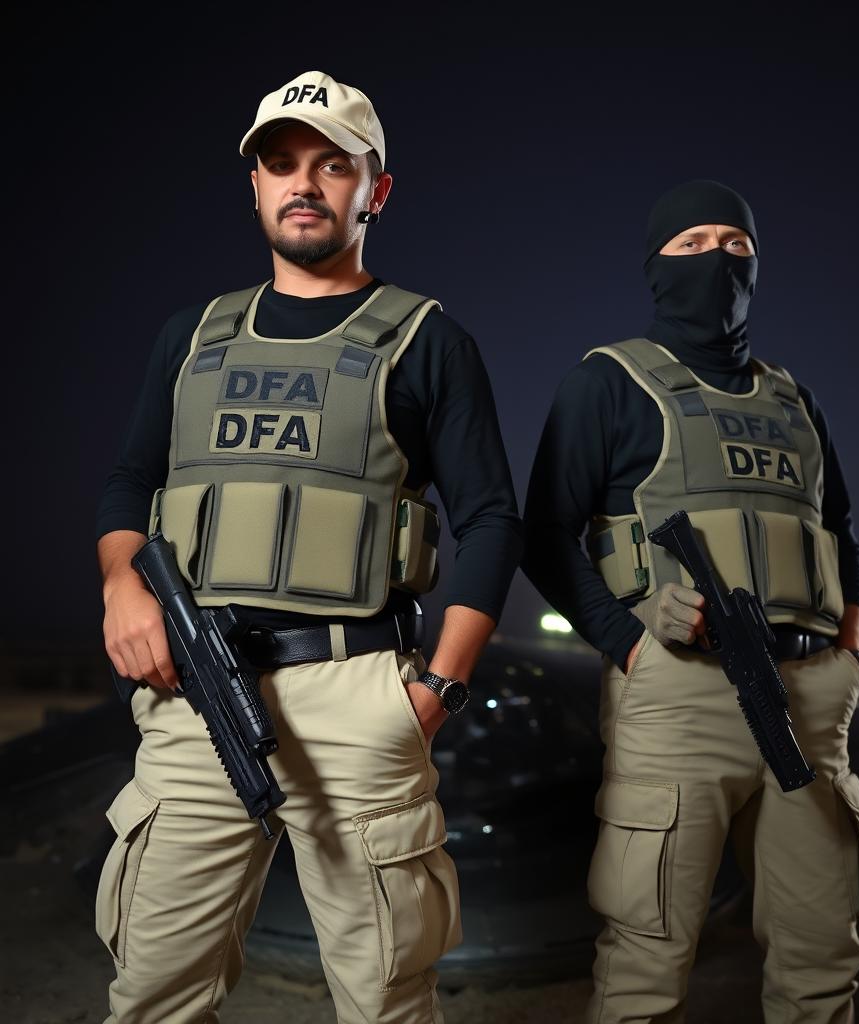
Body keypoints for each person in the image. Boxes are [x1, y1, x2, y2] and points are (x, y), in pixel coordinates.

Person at [95, 70, 522, 1024]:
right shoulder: (192, 335)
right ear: (253, 185)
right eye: (281, 163)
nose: (304, 183)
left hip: (357, 697)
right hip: (193, 696)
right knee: (154, 993)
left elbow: (491, 519)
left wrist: (434, 694)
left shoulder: (428, 341)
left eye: (335, 166)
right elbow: (130, 482)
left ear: (376, 190)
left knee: (386, 1000)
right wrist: (125, 586)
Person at [522, 180, 859, 1024]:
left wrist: (852, 645)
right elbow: (543, 538)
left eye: (736, 243)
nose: (717, 257)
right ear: (656, 264)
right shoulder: (608, 384)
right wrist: (630, 642)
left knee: (823, 949)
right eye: (692, 243)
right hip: (682, 697)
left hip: (809, 703)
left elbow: (840, 530)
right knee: (648, 957)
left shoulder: (795, 401)